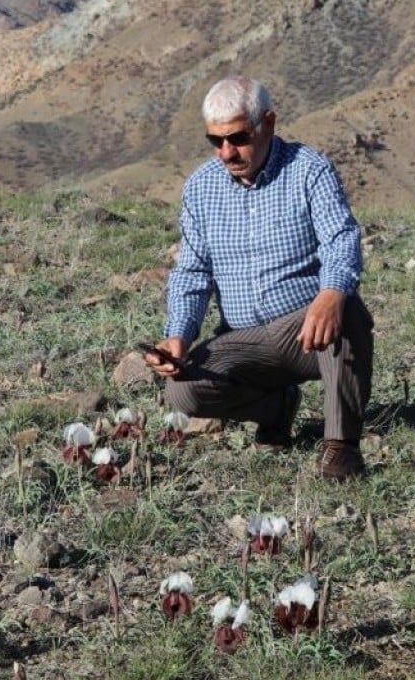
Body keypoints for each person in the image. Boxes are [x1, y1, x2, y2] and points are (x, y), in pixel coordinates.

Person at [145, 75, 373, 480]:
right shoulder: (200, 188)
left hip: (306, 330)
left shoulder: (308, 170)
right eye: (216, 141)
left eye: (238, 137)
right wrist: (178, 335)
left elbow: (342, 238)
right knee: (182, 390)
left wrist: (332, 291)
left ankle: (341, 447)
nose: (227, 152)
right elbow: (193, 270)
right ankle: (275, 408)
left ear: (268, 123)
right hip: (242, 337)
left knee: (347, 310)